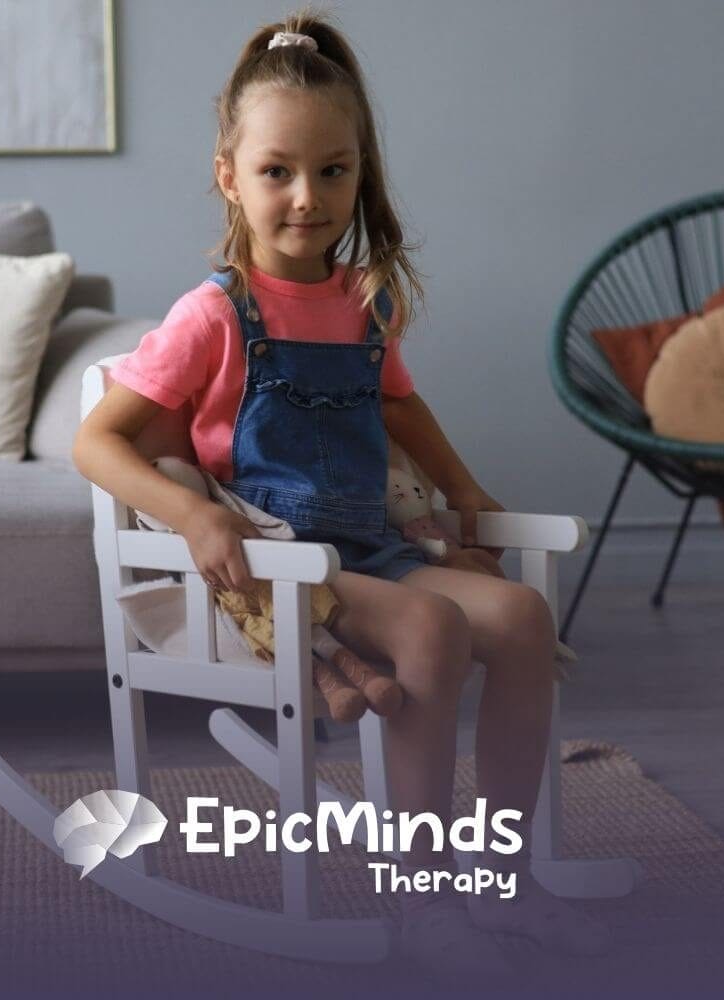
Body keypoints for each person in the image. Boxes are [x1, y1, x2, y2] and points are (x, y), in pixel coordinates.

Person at [73, 7, 609, 982]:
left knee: (523, 616)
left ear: (362, 173)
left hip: (374, 546)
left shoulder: (365, 301)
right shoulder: (214, 313)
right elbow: (96, 442)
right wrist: (196, 512)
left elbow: (400, 408)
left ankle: (502, 876)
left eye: (334, 169)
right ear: (231, 175)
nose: (307, 197)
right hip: (281, 567)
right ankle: (419, 903)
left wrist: (466, 494)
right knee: (433, 632)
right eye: (278, 170)